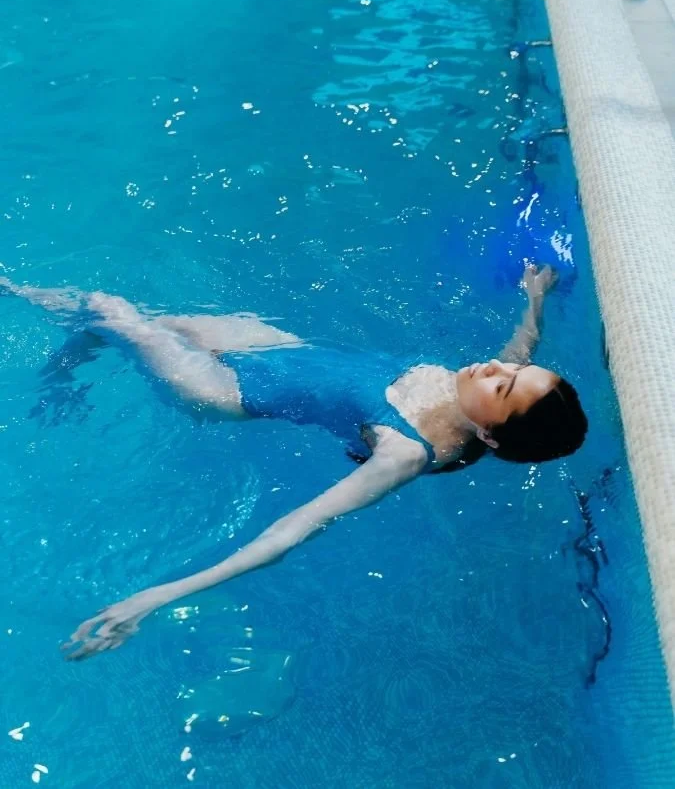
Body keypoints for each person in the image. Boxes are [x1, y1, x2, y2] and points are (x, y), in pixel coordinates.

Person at [1, 265, 587, 659]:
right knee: (141, 323)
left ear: (487, 433)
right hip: (276, 348)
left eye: (507, 386)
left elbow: (291, 532)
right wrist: (534, 301)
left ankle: (19, 303)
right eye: (511, 371)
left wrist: (153, 599)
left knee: (110, 310)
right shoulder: (483, 390)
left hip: (225, 388)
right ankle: (63, 374)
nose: (496, 369)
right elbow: (518, 355)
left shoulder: (406, 452)